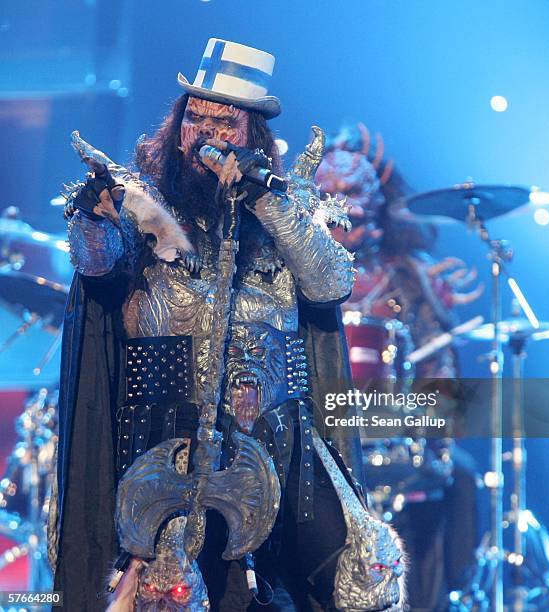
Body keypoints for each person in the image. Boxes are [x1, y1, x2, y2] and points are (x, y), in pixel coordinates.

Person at [50, 41, 405, 611]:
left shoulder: (289, 210)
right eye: (194, 117)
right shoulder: (142, 204)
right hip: (159, 438)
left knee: (353, 582)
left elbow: (330, 284)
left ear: (253, 136)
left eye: (223, 121)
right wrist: (92, 216)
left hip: (277, 441)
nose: (205, 133)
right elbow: (96, 266)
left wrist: (267, 199)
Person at [316, 123, 481, 610]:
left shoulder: (409, 278)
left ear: (377, 200)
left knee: (463, 479)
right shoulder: (288, 272)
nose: (345, 205)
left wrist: (431, 428)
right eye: (331, 193)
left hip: (393, 434)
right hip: (315, 434)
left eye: (354, 193)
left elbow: (442, 371)